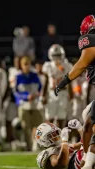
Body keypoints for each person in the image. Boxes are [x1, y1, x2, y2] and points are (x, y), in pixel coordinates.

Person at [55, 15, 95, 168]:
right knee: (88, 121)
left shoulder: (89, 39)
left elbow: (82, 63)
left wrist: (65, 80)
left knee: (90, 124)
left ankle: (86, 163)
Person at [14, 56, 43, 151]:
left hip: (35, 104)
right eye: (25, 64)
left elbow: (39, 88)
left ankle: (37, 143)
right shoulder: (18, 77)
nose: (27, 66)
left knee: (38, 125)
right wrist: (26, 97)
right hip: (24, 105)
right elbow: (16, 92)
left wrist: (36, 95)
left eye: (28, 64)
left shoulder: (34, 76)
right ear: (21, 65)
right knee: (25, 127)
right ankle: (28, 146)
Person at [42, 44, 73, 127]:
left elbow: (69, 81)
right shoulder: (48, 66)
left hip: (63, 93)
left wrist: (71, 94)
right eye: (54, 55)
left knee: (61, 117)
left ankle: (58, 136)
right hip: (52, 93)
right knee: (49, 117)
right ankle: (48, 137)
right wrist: (43, 95)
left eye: (58, 55)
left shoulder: (67, 66)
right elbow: (46, 82)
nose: (56, 57)